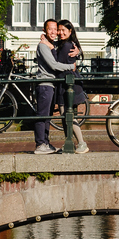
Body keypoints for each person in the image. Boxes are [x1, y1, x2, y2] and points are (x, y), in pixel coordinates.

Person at [33, 19, 77, 154]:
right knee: (42, 115)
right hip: (45, 84)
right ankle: (40, 145)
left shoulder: (52, 45)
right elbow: (54, 65)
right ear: (44, 31)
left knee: (47, 116)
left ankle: (46, 143)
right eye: (50, 29)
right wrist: (72, 66)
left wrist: (78, 51)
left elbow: (67, 47)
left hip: (51, 84)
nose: (54, 32)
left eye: (55, 29)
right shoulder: (43, 46)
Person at [56, 19, 89, 154]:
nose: (60, 32)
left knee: (68, 115)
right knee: (66, 115)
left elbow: (57, 63)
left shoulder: (66, 45)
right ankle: (68, 142)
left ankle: (81, 143)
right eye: (59, 30)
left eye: (64, 30)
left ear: (70, 31)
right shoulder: (67, 44)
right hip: (67, 83)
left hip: (68, 85)